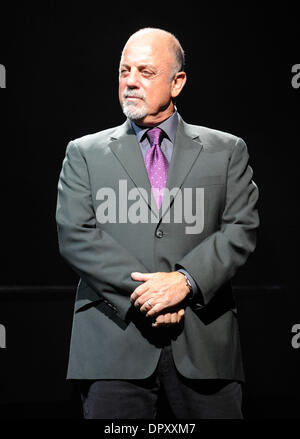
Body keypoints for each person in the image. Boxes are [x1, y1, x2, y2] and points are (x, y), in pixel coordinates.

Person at [56, 27, 259, 419]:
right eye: (124, 71)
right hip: (113, 344)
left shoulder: (227, 150)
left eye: (145, 72)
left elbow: (241, 228)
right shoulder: (83, 153)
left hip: (204, 345)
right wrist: (149, 295)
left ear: (177, 82)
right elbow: (75, 235)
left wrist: (184, 281)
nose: (131, 81)